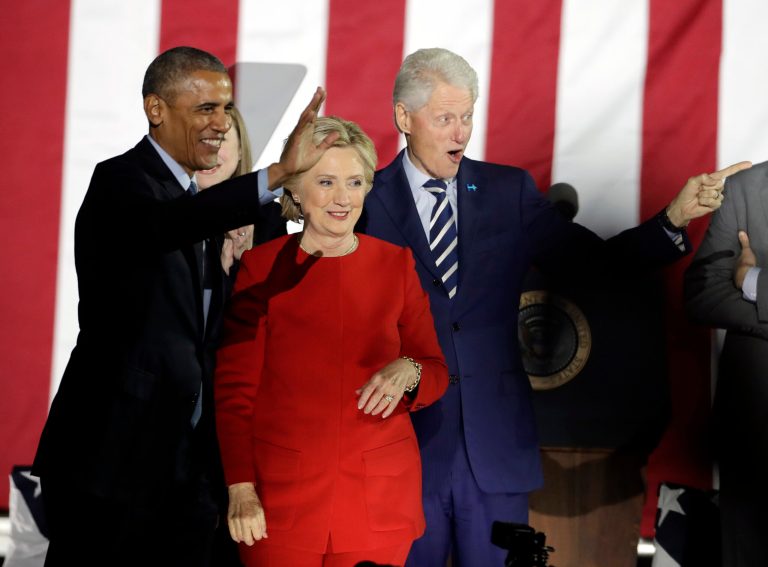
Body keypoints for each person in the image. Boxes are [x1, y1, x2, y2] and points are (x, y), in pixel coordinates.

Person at [350, 47, 750, 567]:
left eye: (467, 116)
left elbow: (593, 264)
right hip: (398, 449)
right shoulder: (360, 201)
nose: (460, 132)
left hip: (495, 455)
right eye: (445, 117)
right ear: (403, 117)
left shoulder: (506, 191)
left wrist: (673, 217)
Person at [32, 46, 337, 567]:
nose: (221, 123)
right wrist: (276, 173)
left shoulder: (202, 204)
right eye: (206, 109)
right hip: (113, 459)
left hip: (186, 466)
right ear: (157, 109)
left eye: (225, 108)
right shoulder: (122, 182)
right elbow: (169, 226)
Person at [214, 116, 449, 567]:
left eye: (355, 182)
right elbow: (234, 393)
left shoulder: (396, 265)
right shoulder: (261, 268)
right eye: (326, 181)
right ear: (297, 192)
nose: (343, 198)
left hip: (379, 500)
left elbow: (435, 371)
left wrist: (410, 369)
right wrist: (240, 487)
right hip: (279, 502)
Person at [684, 161, 768, 567]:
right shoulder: (744, 188)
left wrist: (753, 283)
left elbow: (737, 285)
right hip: (755, 421)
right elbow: (701, 294)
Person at [197, 105, 286, 273]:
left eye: (219, 139)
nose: (207, 152)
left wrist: (246, 261)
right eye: (199, 139)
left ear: (239, 149)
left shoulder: (269, 218)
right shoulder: (157, 208)